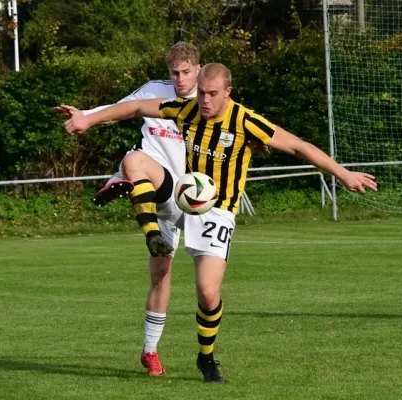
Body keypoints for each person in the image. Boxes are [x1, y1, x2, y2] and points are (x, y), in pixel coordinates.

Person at [64, 62, 378, 383]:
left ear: (228, 92)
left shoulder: (245, 120)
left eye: (212, 94)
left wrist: (343, 173)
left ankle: (206, 357)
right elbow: (134, 107)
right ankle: (152, 231)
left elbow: (298, 145)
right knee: (134, 160)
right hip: (184, 194)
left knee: (208, 292)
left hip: (217, 210)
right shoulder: (186, 109)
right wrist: (88, 118)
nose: (205, 100)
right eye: (201, 92)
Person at [55, 42, 201, 377]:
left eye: (185, 72)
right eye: (174, 73)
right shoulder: (155, 92)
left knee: (174, 280)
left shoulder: (208, 101)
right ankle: (151, 352)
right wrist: (86, 117)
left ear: (197, 68)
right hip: (153, 186)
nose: (179, 79)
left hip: (186, 197)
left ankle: (119, 182)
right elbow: (121, 108)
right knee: (135, 159)